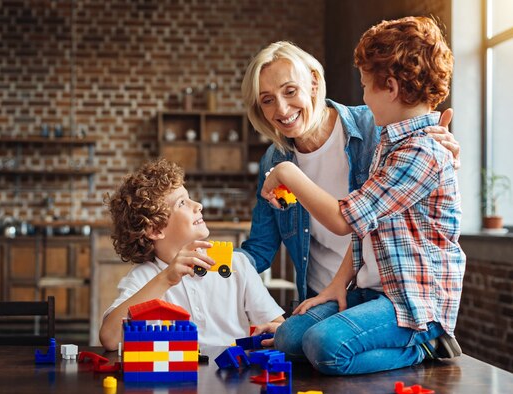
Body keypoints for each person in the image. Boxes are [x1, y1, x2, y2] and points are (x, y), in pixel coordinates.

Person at [259, 16, 465, 375]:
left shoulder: (420, 152)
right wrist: (337, 285)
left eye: (366, 86)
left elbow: (344, 219)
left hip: (410, 303)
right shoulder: (388, 142)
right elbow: (366, 226)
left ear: (390, 88)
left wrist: (288, 174)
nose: (363, 96)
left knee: (324, 346)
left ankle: (424, 347)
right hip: (372, 290)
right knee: (290, 337)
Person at [99, 158, 284, 351]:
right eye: (182, 203)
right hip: (176, 376)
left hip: (234, 375)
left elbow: (278, 327)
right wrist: (166, 279)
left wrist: (278, 332)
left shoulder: (237, 264)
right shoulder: (146, 278)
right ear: (155, 229)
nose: (198, 205)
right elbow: (110, 339)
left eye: (189, 198)